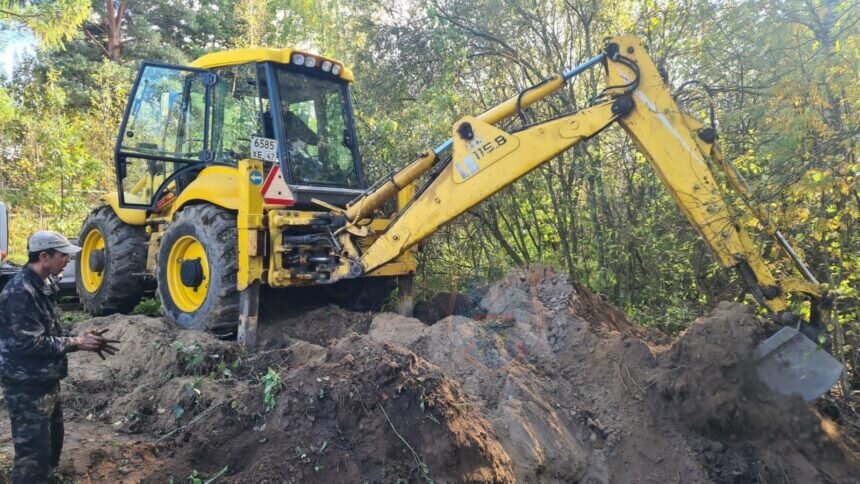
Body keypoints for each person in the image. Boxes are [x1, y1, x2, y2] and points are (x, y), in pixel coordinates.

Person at [0, 231, 119, 483]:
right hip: (26, 386)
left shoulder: (43, 285)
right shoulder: (20, 292)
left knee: (52, 446)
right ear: (44, 256)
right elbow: (28, 342)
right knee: (33, 457)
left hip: (45, 380)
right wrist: (77, 343)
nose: (68, 261)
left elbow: (49, 331)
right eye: (63, 256)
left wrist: (80, 336)